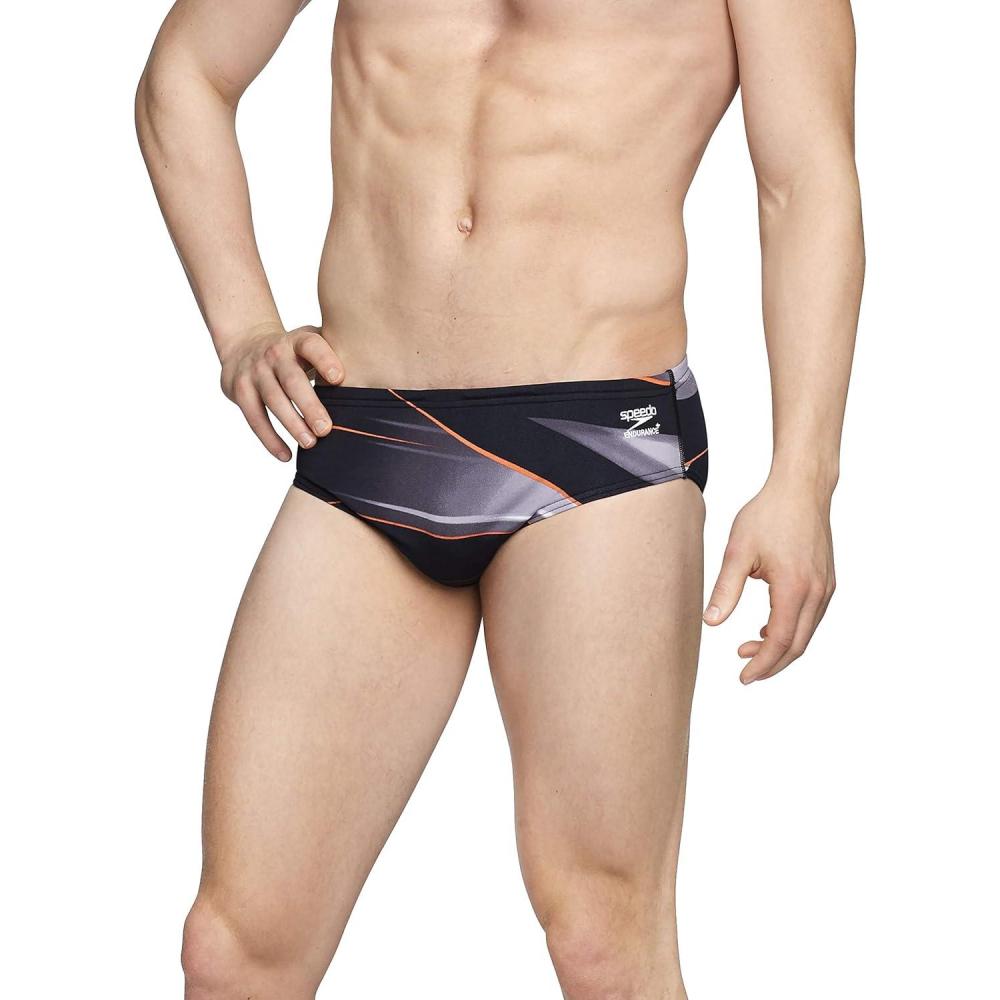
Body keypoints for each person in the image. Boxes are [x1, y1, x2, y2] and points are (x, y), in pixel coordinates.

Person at [136, 0, 863, 995]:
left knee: (603, 939)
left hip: (598, 441)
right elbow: (185, 74)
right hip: (370, 430)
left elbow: (804, 180)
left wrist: (803, 477)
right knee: (233, 951)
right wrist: (242, 330)